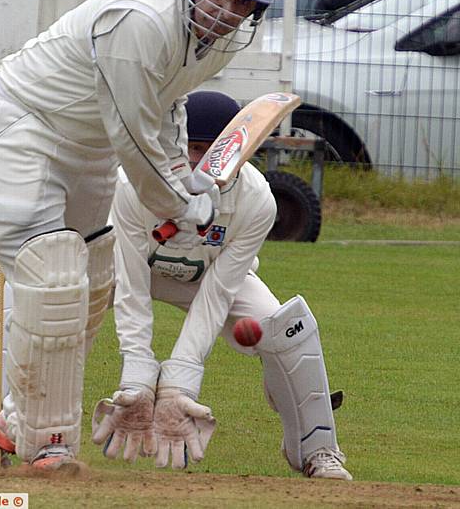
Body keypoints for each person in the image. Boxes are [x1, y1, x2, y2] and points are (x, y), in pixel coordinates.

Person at [0, 0, 278, 472]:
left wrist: (183, 170)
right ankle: (33, 433)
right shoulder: (141, 21)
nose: (225, 10)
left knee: (88, 279)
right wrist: (182, 204)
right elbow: (133, 139)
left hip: (88, 143)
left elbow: (168, 105)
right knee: (49, 278)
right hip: (26, 123)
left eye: (241, 4)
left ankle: (25, 425)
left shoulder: (215, 41)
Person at [90, 90, 353, 480]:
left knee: (286, 327)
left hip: (209, 280)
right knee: (53, 296)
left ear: (235, 150)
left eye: (208, 149)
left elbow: (216, 295)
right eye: (189, 147)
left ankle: (318, 449)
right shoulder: (133, 184)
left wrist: (179, 383)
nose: (197, 160)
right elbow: (131, 283)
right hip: (132, 269)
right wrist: (139, 377)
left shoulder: (257, 200)